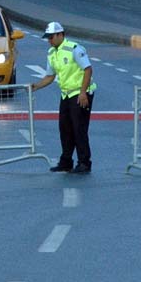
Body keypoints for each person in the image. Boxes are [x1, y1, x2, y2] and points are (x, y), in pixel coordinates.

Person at [32, 21, 96, 174]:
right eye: (47, 38)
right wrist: (34, 87)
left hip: (80, 93)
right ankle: (66, 161)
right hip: (66, 94)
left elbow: (88, 70)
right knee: (65, 128)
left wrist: (83, 93)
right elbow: (49, 76)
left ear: (60, 35)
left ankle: (84, 162)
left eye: (51, 37)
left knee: (79, 129)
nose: (49, 40)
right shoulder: (52, 53)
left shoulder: (74, 49)